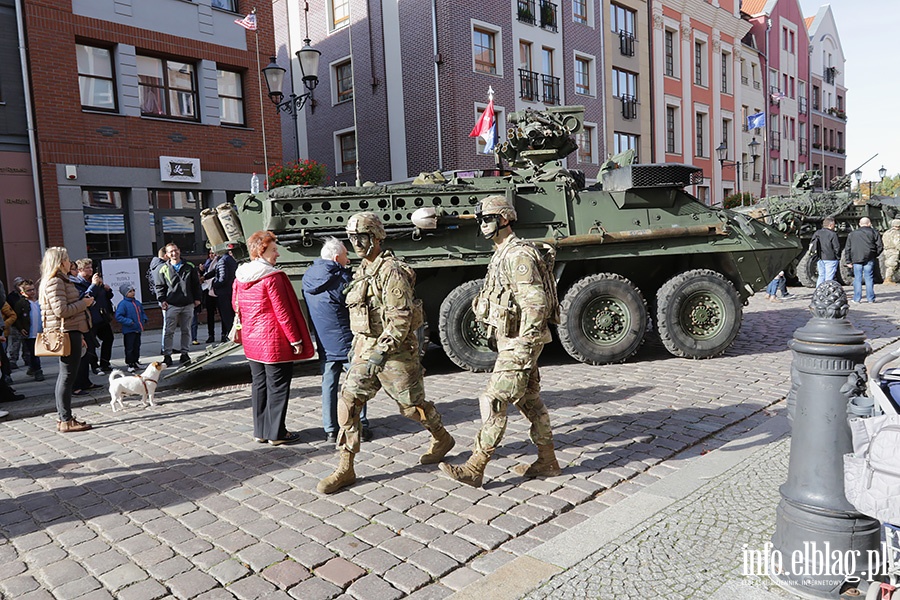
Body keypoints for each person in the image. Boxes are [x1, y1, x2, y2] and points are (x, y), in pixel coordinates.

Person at [317, 212, 454, 495]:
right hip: (366, 351)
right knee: (349, 403)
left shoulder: (391, 270)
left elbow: (401, 318)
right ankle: (346, 467)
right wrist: (362, 351)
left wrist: (383, 350)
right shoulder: (362, 270)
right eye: (353, 237)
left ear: (377, 237)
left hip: (396, 353)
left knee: (412, 408)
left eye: (362, 237)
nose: (356, 242)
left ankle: (441, 437)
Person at [439, 196, 561, 488]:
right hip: (510, 340)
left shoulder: (518, 255)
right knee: (530, 400)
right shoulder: (501, 253)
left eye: (488, 218)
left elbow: (536, 304)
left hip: (520, 343)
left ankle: (475, 467)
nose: (483, 223)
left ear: (505, 218)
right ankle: (548, 462)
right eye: (481, 219)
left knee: (495, 400)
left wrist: (524, 347)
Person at [233, 230, 314, 445]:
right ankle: (276, 433)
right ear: (262, 250)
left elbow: (236, 306)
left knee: (259, 384)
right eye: (274, 249)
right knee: (277, 386)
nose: (277, 254)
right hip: (273, 341)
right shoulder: (272, 277)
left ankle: (260, 431)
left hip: (252, 340)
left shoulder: (240, 276)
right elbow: (283, 312)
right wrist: (295, 340)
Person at [302, 237, 371, 444]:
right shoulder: (340, 278)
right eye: (345, 255)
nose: (348, 258)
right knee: (359, 382)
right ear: (335, 257)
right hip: (346, 339)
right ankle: (360, 425)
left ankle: (330, 429)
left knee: (329, 384)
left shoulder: (308, 276)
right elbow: (354, 303)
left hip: (324, 339)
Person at [39, 247, 95, 432]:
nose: (70, 262)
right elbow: (61, 311)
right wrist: (84, 303)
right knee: (67, 376)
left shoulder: (60, 280)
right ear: (59, 261)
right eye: (67, 259)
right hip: (65, 333)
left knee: (67, 376)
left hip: (72, 331)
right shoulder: (55, 281)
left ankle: (64, 417)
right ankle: (65, 419)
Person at [155, 243, 202, 366]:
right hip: (171, 304)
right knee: (168, 331)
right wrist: (162, 300)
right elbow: (159, 287)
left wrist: (197, 298)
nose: (174, 253)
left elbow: (196, 284)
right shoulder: (163, 269)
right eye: (171, 252)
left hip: (187, 304)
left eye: (175, 250)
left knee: (186, 330)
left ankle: (185, 354)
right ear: (167, 254)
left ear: (179, 251)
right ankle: (167, 355)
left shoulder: (189, 266)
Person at [73, 259, 114, 374]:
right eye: (87, 268)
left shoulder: (95, 281)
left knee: (108, 338)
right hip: (89, 319)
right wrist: (94, 285)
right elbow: (85, 297)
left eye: (91, 267)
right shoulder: (78, 284)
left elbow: (106, 296)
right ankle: (94, 366)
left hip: (102, 316)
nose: (91, 270)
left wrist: (107, 289)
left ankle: (105, 363)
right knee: (91, 344)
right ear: (80, 270)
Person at [845, 217, 884, 303]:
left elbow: (848, 248)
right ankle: (870, 299)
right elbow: (880, 246)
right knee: (869, 278)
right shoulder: (874, 232)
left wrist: (848, 261)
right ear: (869, 223)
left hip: (856, 259)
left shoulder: (852, 234)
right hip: (869, 258)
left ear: (859, 224)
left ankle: (857, 298)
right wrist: (874, 254)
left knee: (857, 278)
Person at [13, 279, 44, 381]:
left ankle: (32, 367)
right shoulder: (21, 304)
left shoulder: (40, 301)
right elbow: (16, 318)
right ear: (22, 293)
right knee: (33, 352)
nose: (32, 292)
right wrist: (21, 328)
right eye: (28, 291)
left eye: (33, 289)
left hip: (40, 332)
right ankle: (38, 370)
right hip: (29, 333)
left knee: (37, 352)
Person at [115, 283, 149, 373]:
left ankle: (136, 361)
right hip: (129, 330)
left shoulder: (137, 303)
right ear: (125, 293)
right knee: (129, 347)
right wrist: (129, 321)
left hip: (137, 329)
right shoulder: (123, 304)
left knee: (137, 346)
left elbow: (142, 312)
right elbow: (118, 316)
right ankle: (130, 363)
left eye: (133, 290)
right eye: (130, 291)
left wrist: (144, 318)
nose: (133, 292)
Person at [212, 250, 238, 343]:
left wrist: (214, 285)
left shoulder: (222, 260)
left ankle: (232, 336)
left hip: (224, 293)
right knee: (230, 315)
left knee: (226, 316)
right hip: (230, 291)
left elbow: (222, 278)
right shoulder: (229, 259)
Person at [810, 217, 842, 286]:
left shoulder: (817, 233)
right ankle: (827, 292)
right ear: (830, 225)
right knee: (829, 278)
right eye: (834, 225)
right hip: (831, 258)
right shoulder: (833, 234)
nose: (834, 226)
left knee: (821, 276)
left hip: (819, 258)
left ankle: (818, 291)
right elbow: (837, 247)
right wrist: (838, 256)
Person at [148, 247, 168, 354]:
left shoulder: (154, 265)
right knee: (168, 325)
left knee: (167, 324)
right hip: (165, 298)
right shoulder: (162, 266)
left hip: (161, 298)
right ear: (165, 255)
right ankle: (165, 348)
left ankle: (166, 347)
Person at [200, 250, 219, 343]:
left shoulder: (219, 262)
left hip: (217, 289)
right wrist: (202, 270)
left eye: (213, 253)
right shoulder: (207, 263)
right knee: (210, 315)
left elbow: (214, 273)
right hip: (208, 290)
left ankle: (224, 334)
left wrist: (205, 276)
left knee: (222, 314)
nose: (212, 255)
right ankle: (211, 335)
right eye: (210, 253)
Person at [881, 219, 900, 284]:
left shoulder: (887, 232)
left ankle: (888, 278)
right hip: (894, 250)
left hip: (887, 250)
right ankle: (888, 279)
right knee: (892, 265)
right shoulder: (896, 233)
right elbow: (897, 243)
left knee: (889, 265)